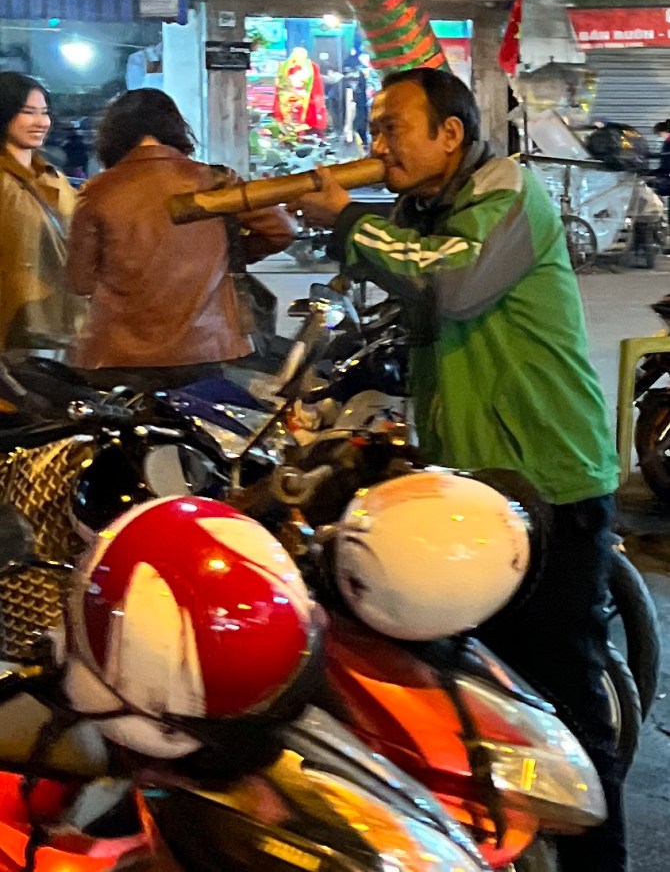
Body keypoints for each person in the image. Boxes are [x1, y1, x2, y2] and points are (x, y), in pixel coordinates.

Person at [291, 67, 624, 872]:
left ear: (450, 134)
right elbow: (394, 285)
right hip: (468, 488)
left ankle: (596, 862)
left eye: (393, 127)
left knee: (561, 696)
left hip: (546, 481)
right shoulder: (423, 211)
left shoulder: (509, 194)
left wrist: (347, 220)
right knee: (477, 690)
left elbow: (448, 282)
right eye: (374, 128)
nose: (379, 145)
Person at [66, 89, 296, 390]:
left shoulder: (97, 191)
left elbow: (79, 282)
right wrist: (228, 254)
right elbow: (282, 230)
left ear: (112, 135)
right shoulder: (215, 181)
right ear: (175, 127)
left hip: (115, 354)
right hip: (204, 347)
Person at [0, 72, 84, 357]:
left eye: (44, 112)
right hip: (13, 332)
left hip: (63, 330)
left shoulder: (53, 178)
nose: (40, 122)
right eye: (28, 112)